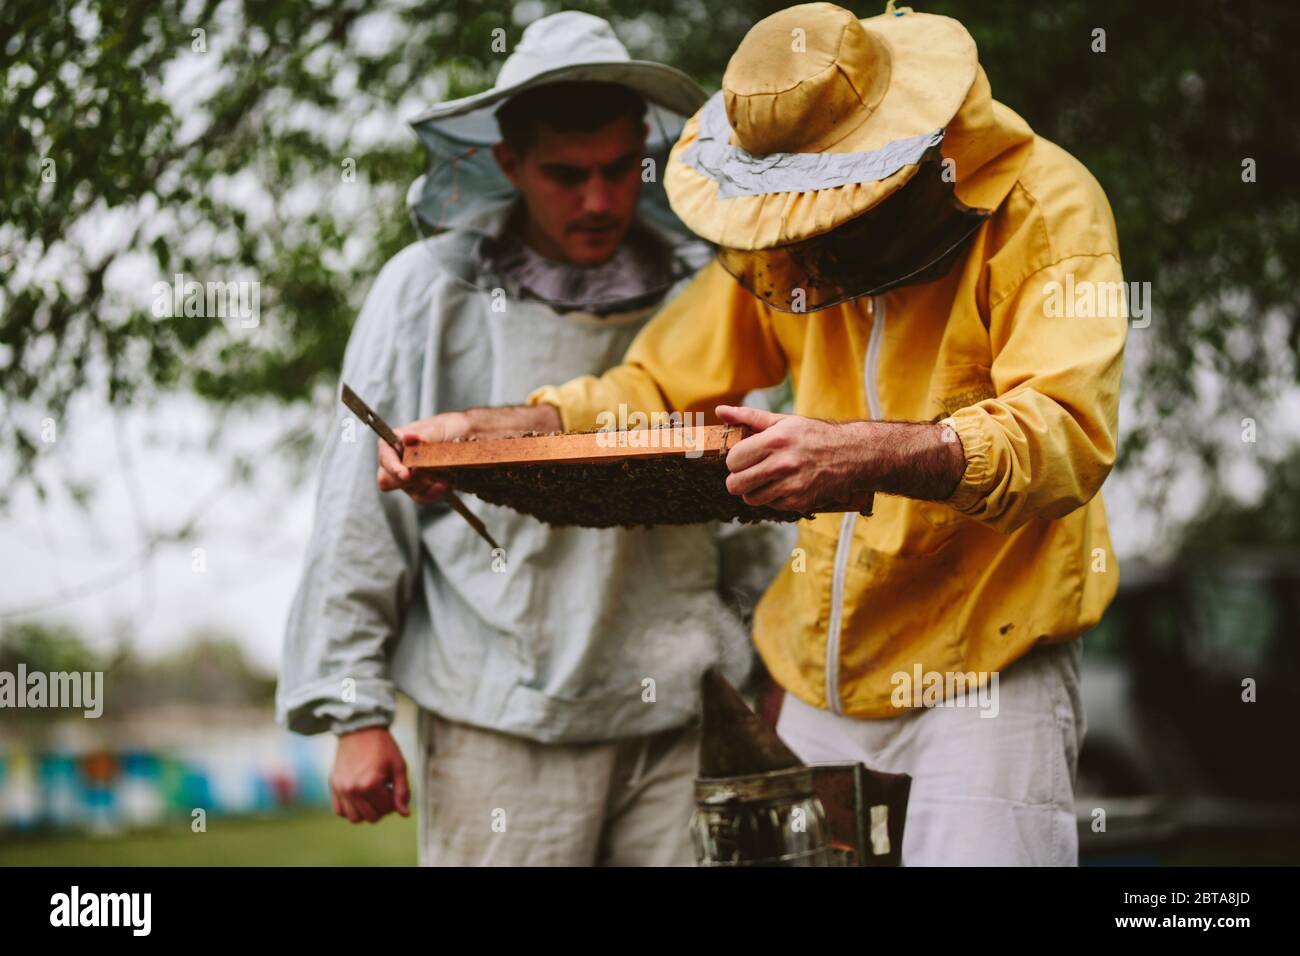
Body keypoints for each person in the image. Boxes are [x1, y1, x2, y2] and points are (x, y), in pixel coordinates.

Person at [386, 3, 1128, 866]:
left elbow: (1064, 435)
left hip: (990, 671)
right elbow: (655, 383)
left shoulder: (1047, 209)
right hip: (817, 670)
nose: (801, 234)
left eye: (824, 202)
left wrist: (866, 452)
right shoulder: (791, 243)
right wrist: (498, 428)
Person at [277, 11, 780, 866]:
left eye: (621, 169)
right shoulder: (424, 295)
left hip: (682, 717)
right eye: (565, 174)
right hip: (499, 720)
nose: (598, 200)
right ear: (507, 162)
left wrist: (774, 676)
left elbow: (759, 494)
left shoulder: (710, 289)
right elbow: (358, 511)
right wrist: (355, 712)